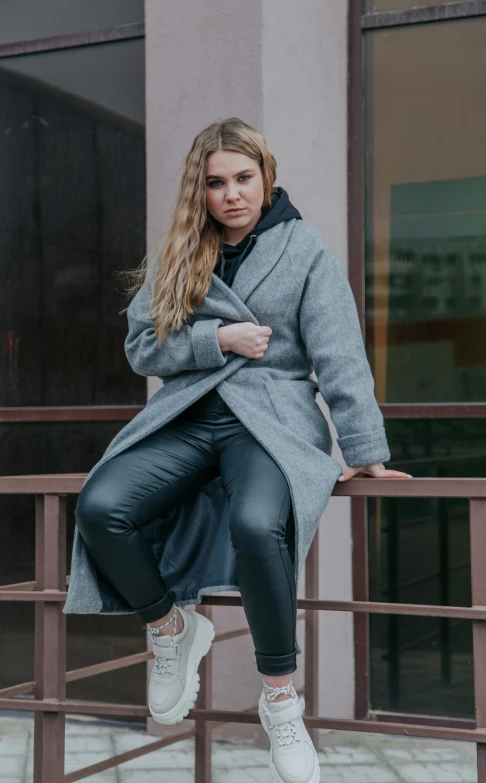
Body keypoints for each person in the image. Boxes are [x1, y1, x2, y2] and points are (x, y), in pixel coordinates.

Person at [65, 117, 410, 783]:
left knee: (258, 523)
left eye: (244, 178)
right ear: (202, 189)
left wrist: (364, 446)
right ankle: (170, 628)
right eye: (216, 182)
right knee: (102, 504)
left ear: (265, 177)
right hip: (191, 415)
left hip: (272, 419)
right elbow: (141, 347)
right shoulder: (180, 253)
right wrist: (214, 342)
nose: (232, 194)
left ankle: (280, 699)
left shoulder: (304, 247)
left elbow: (339, 352)